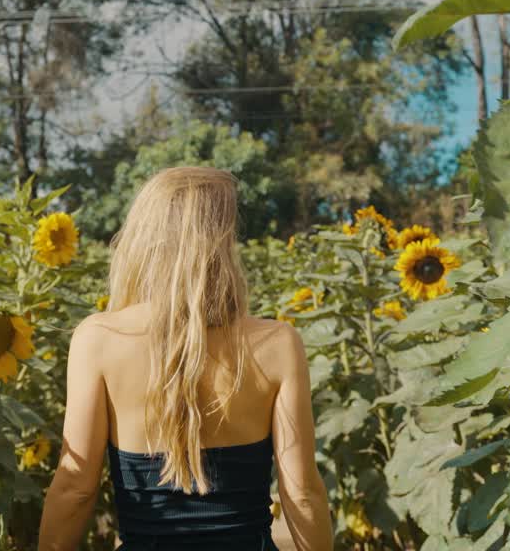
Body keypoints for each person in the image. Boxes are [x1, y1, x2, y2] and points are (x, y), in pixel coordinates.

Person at [38, 167, 332, 550]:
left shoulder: (99, 340)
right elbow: (303, 493)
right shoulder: (277, 343)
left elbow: (75, 487)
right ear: (223, 245)